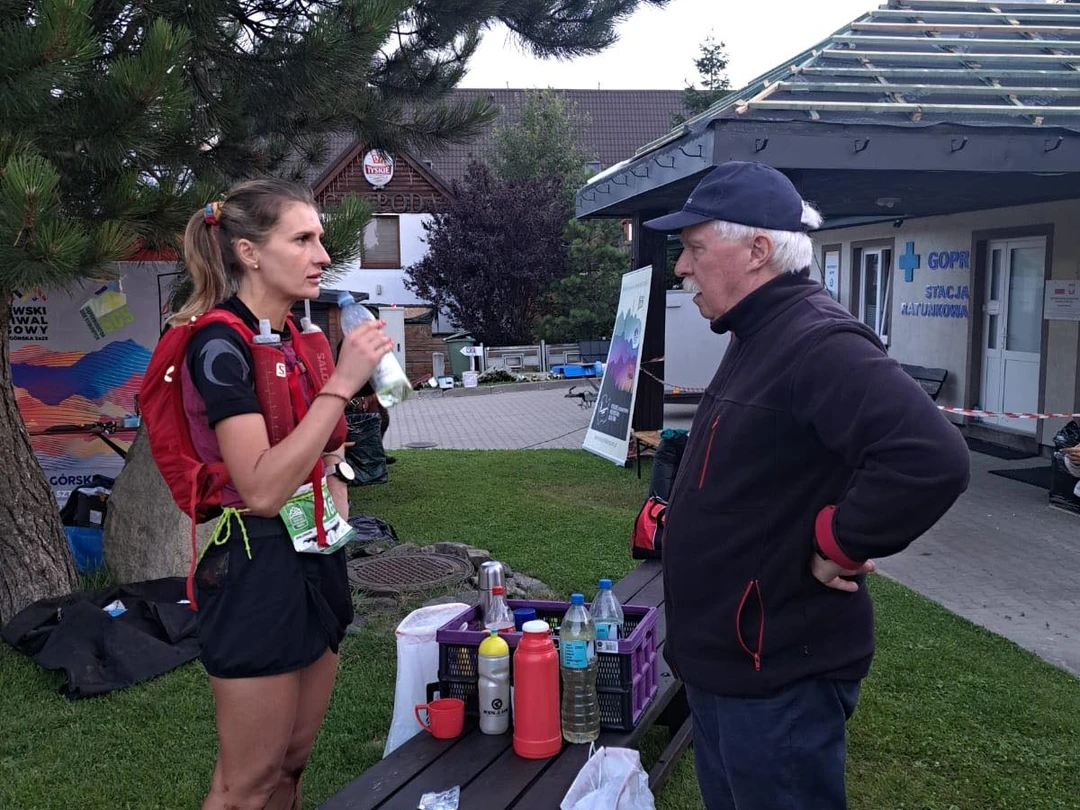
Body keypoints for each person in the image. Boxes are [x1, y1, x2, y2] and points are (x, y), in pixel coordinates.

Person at [642, 162, 971, 810]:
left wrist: (840, 540)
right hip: (726, 671)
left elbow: (931, 457)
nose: (681, 266)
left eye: (695, 248)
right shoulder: (756, 332)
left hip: (776, 682)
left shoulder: (816, 340)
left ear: (758, 250)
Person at [173, 178, 394, 810]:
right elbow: (264, 489)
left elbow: (324, 456)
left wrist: (339, 474)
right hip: (254, 566)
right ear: (248, 252)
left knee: (294, 765)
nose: (323, 254)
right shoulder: (219, 346)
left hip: (316, 554)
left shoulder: (300, 340)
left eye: (320, 238)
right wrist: (344, 384)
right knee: (249, 783)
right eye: (303, 239)